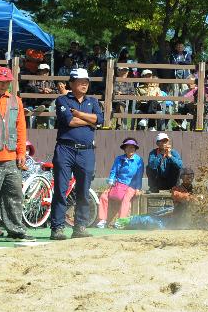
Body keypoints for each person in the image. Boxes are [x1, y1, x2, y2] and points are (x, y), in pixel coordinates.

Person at [49, 68, 104, 240]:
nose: (84, 85)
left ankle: (80, 226)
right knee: (61, 189)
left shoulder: (93, 101)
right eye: (80, 82)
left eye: (86, 82)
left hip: (86, 151)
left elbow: (100, 120)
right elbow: (69, 121)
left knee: (84, 191)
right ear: (71, 83)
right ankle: (57, 228)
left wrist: (79, 114)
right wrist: (90, 120)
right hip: (65, 149)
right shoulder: (62, 99)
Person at [0, 67, 31, 241]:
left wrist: (21, 152)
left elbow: (21, 129)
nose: (3, 85)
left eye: (7, 82)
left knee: (15, 196)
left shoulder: (16, 101)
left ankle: (16, 230)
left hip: (11, 157)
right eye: (0, 81)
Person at [96, 138, 144, 228]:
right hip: (118, 183)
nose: (131, 149)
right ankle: (102, 220)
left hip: (131, 185)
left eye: (133, 147)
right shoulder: (119, 159)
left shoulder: (139, 160)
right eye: (129, 147)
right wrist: (110, 184)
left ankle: (121, 220)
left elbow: (139, 175)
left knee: (126, 199)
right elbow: (113, 172)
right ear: (125, 149)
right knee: (104, 196)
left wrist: (138, 188)